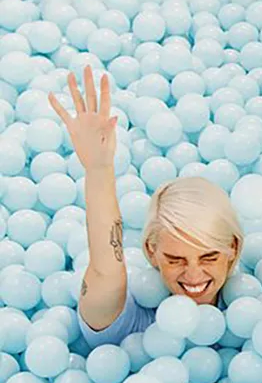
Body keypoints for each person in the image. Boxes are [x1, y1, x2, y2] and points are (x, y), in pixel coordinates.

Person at [49, 66, 245, 348]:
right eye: (175, 259)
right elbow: (106, 269)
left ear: (233, 250)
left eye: (208, 257)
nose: (193, 275)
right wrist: (98, 168)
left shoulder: (248, 305)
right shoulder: (131, 319)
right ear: (151, 251)